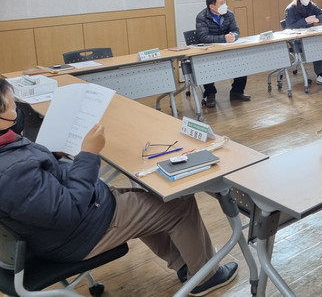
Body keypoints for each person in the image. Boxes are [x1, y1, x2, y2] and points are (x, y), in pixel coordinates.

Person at [0, 79, 237, 297]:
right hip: (77, 235)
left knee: (145, 200)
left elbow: (37, 185)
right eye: (11, 107)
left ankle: (185, 263)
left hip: (66, 226)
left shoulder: (7, 151)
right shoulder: (11, 172)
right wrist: (88, 154)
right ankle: (205, 277)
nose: (17, 112)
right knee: (179, 203)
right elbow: (68, 210)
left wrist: (54, 155)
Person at [195, 0, 250, 107]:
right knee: (206, 65)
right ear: (212, 6)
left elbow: (236, 30)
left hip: (227, 48)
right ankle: (210, 94)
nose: (225, 5)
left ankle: (237, 91)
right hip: (210, 51)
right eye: (221, 3)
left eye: (224, 2)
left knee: (241, 60)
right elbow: (203, 37)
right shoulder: (202, 17)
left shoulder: (229, 14)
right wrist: (224, 38)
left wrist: (233, 36)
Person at [285, 0, 322, 86]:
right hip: (298, 40)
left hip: (311, 36)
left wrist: (317, 19)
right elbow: (290, 26)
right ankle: (321, 74)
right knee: (317, 44)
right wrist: (305, 20)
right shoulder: (290, 9)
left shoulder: (311, 6)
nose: (307, 0)